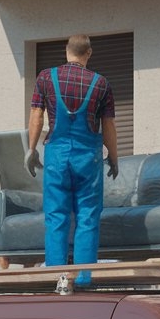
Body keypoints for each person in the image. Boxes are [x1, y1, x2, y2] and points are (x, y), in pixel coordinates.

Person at [25, 34, 118, 287]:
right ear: (88, 53)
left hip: (57, 156)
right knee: (88, 216)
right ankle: (84, 280)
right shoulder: (101, 84)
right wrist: (115, 157)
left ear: (66, 51)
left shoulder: (45, 77)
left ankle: (57, 279)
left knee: (56, 215)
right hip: (88, 158)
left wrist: (31, 149)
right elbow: (108, 125)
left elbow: (36, 116)